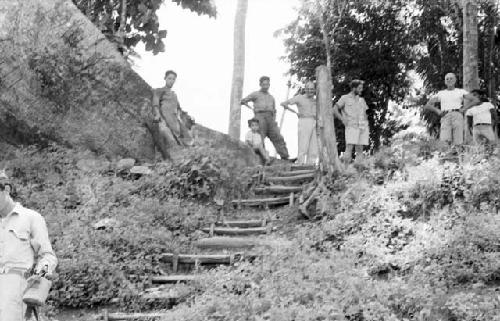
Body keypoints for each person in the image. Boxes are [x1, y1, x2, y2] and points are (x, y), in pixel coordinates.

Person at [0, 170, 57, 321]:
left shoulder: (31, 218)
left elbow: (48, 257)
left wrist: (40, 275)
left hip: (18, 294)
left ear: (6, 189)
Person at [241, 76, 291, 161]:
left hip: (270, 118)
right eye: (264, 84)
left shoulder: (271, 97)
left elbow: (274, 110)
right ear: (260, 84)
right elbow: (243, 101)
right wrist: (252, 108)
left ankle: (285, 157)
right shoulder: (255, 94)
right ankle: (263, 158)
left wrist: (273, 119)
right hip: (260, 116)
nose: (266, 86)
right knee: (260, 137)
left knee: (277, 136)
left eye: (267, 84)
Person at [152, 70, 193, 147]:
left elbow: (178, 108)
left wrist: (186, 116)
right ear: (165, 78)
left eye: (173, 79)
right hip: (166, 117)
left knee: (188, 137)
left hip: (175, 118)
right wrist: (158, 115)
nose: (171, 81)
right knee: (172, 137)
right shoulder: (159, 90)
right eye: (169, 78)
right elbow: (155, 104)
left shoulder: (174, 94)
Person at [424, 73, 468, 145]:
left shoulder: (460, 91)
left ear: (455, 80)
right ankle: (447, 156)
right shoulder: (441, 93)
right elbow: (428, 105)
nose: (449, 80)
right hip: (445, 116)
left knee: (458, 142)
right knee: (445, 142)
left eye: (451, 78)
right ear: (445, 82)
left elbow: (474, 100)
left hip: (457, 115)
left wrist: (464, 108)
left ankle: (458, 155)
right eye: (447, 79)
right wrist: (438, 111)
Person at [280, 81, 318, 165]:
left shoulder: (315, 100)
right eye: (308, 89)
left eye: (311, 89)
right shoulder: (299, 98)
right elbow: (283, 103)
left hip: (315, 121)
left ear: (314, 90)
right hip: (304, 120)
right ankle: (300, 163)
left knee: (314, 146)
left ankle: (311, 165)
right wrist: (295, 112)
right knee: (303, 145)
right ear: (305, 89)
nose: (310, 91)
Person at [333, 79, 370, 163]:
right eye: (359, 88)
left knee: (360, 149)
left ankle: (358, 170)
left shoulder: (362, 100)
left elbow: (365, 114)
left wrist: (366, 125)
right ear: (354, 88)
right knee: (349, 147)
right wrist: (342, 119)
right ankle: (346, 171)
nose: (361, 90)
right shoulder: (345, 98)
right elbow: (334, 109)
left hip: (362, 127)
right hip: (351, 126)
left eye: (362, 88)